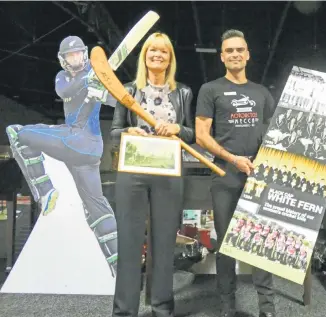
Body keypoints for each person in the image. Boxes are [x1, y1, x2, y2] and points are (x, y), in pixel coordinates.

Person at [5, 35, 118, 276]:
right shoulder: (64, 77)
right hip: (85, 151)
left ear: (84, 53)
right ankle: (118, 270)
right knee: (97, 208)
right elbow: (65, 89)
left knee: (16, 133)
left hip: (79, 141)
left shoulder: (94, 72)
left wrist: (102, 88)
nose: (74, 58)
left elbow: (116, 100)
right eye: (69, 55)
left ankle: (44, 191)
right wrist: (90, 80)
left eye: (77, 53)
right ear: (63, 59)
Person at [110, 32, 195, 317]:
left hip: (168, 173)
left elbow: (191, 133)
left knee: (164, 244)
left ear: (170, 59)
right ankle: (124, 311)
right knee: (129, 242)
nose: (158, 55)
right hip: (132, 171)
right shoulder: (127, 90)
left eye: (164, 51)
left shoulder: (183, 92)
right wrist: (127, 131)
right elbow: (114, 131)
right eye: (152, 50)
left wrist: (177, 130)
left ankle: (161, 308)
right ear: (144, 56)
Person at [195, 29, 276, 317]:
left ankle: (266, 308)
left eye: (239, 49)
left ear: (248, 54)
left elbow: (280, 134)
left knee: (261, 242)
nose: (235, 54)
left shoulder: (261, 92)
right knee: (227, 244)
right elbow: (202, 135)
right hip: (226, 175)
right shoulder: (210, 89)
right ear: (222, 56)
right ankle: (227, 307)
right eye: (229, 50)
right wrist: (233, 158)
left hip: (257, 176)